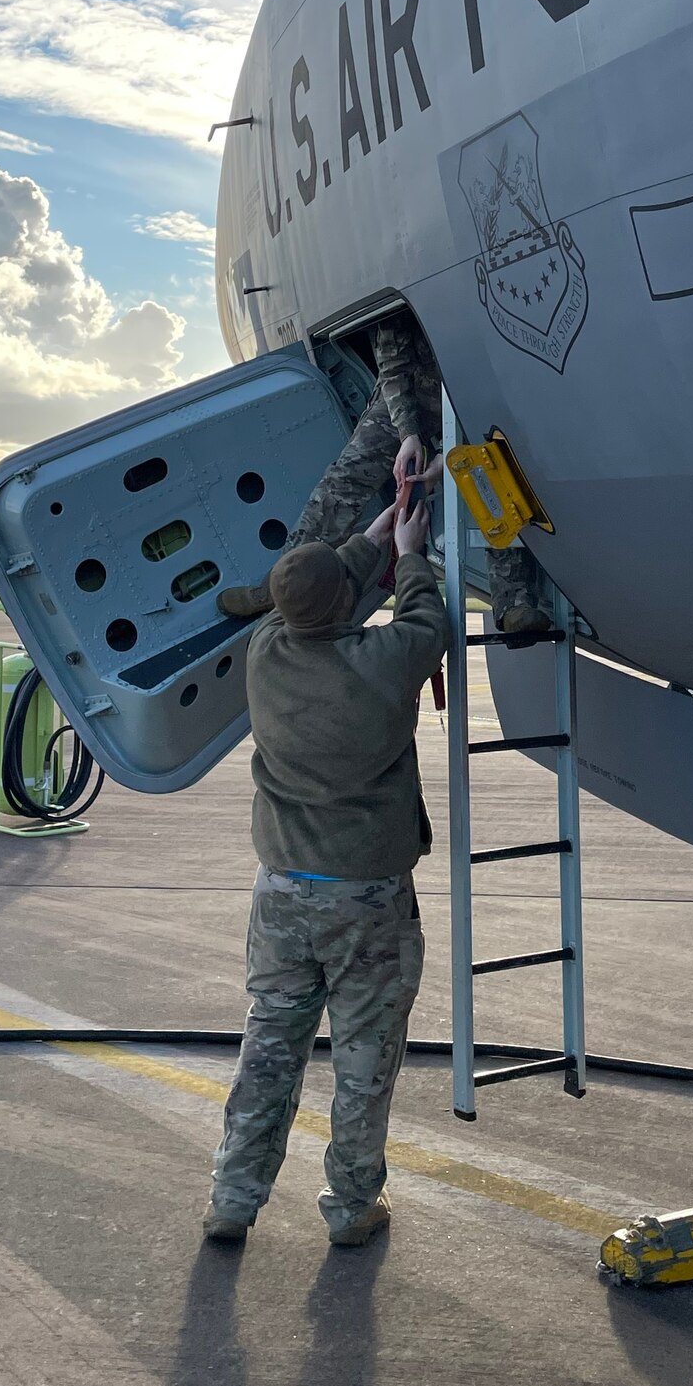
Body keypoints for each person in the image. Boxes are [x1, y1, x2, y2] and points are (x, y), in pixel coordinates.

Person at [202, 482, 446, 1248]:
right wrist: (408, 555)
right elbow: (428, 618)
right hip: (365, 898)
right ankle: (349, 1207)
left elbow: (319, 588)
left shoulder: (265, 650)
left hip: (280, 893)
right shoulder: (384, 661)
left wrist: (380, 530)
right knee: (365, 1058)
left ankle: (232, 1202)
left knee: (269, 1049)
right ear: (348, 603)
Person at [218, 312, 550, 635]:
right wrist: (408, 432)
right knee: (344, 482)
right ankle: (275, 590)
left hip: (477, 396)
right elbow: (392, 366)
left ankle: (514, 601)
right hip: (410, 397)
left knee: (493, 475)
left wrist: (447, 457)